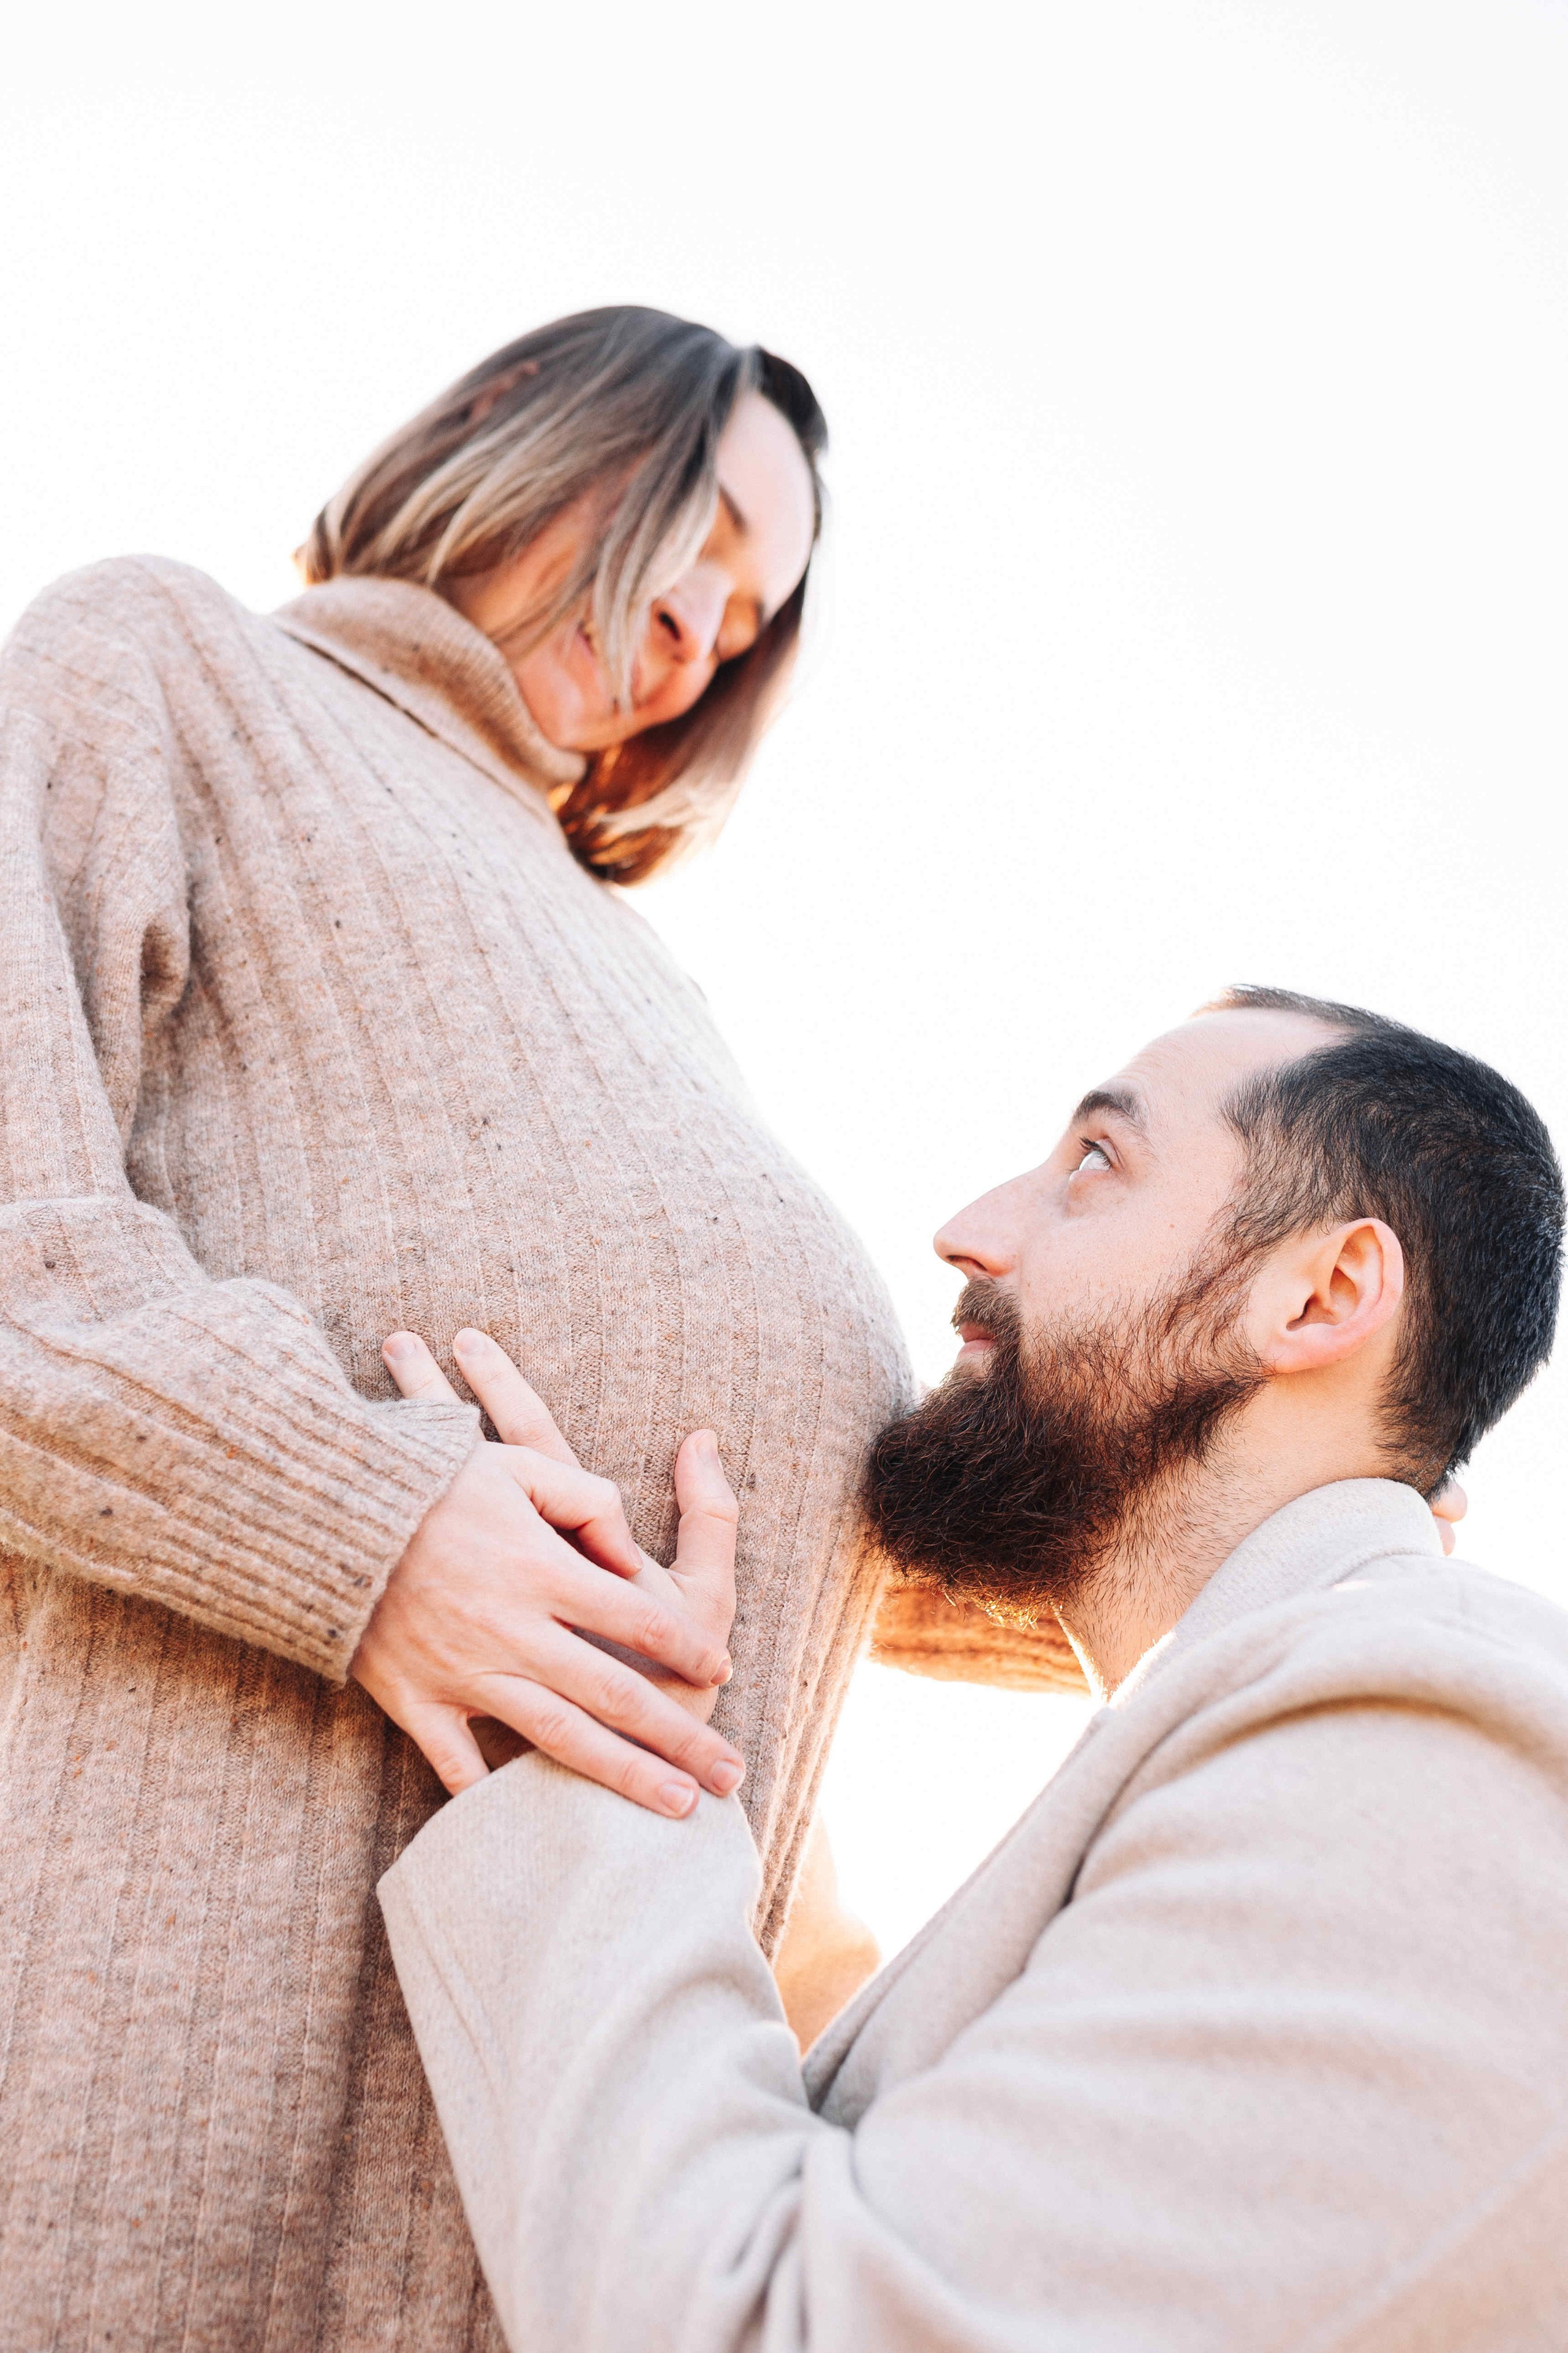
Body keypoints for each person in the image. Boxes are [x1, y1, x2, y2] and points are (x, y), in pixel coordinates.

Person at [0, 304, 1020, 2352]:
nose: (708, 631)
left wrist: (1269, 1502)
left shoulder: (649, 976)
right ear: (507, 425)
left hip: (579, 2160)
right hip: (189, 2049)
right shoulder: (165, 664)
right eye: (704, 534)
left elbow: (791, 1480)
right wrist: (369, 1533)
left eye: (754, 613)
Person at [378, 986, 1568, 2352]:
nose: (970, 1229)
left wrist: (612, 1751)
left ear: (1321, 1293)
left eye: (1095, 1165)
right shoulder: (1292, 1712)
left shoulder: (1421, 1731)